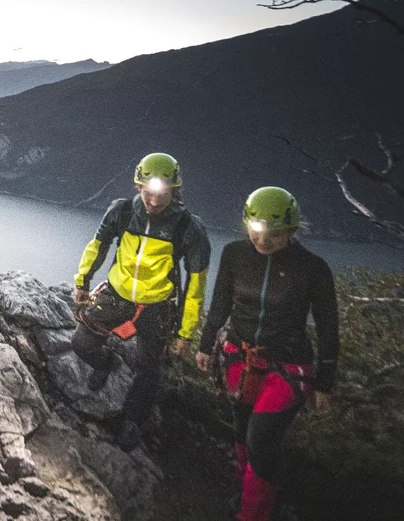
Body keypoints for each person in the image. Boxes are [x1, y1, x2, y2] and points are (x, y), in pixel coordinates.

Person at [196, 187, 338, 521]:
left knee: (261, 438)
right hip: (239, 356)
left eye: (273, 235)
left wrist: (325, 380)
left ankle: (253, 513)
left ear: (292, 231)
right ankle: (245, 489)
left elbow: (328, 325)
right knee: (242, 428)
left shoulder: (313, 269)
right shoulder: (234, 254)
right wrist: (205, 346)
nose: (262, 240)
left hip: (288, 366)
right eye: (256, 231)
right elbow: (220, 304)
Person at [71, 152, 211, 451]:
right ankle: (106, 363)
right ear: (138, 188)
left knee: (149, 368)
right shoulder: (121, 211)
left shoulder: (188, 228)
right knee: (82, 344)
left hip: (158, 307)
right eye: (149, 194)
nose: (156, 202)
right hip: (117, 295)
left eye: (163, 195)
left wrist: (185, 333)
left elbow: (196, 285)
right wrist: (83, 280)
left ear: (175, 191)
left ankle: (133, 420)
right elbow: (99, 245)